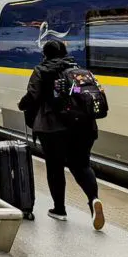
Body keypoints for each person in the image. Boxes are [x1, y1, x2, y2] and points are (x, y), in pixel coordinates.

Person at [20, 39, 104, 230]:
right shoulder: (77, 69)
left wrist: (22, 104)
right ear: (65, 53)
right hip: (84, 127)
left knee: (55, 167)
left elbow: (32, 97)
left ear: (45, 54)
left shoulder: (41, 70)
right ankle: (94, 200)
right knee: (82, 165)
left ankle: (59, 210)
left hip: (53, 129)